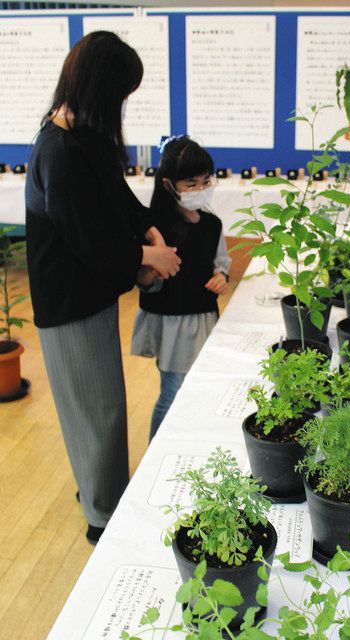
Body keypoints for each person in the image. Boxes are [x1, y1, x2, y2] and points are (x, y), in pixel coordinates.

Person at [25, 31, 181, 545]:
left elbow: (116, 201)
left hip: (86, 293)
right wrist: (147, 257)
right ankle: (103, 517)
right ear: (99, 89)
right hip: (68, 302)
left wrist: (146, 230)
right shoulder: (59, 152)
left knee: (96, 404)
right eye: (120, 95)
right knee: (97, 409)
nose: (122, 107)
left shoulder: (82, 137)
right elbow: (90, 241)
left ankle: (99, 488)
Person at [131, 136, 231, 440]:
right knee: (173, 391)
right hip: (172, 322)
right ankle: (155, 449)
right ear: (169, 185)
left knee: (199, 385)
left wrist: (222, 276)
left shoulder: (212, 224)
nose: (201, 189)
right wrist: (151, 267)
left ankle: (188, 441)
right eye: (191, 184)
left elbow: (221, 260)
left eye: (206, 181)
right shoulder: (156, 227)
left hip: (203, 317)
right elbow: (144, 282)